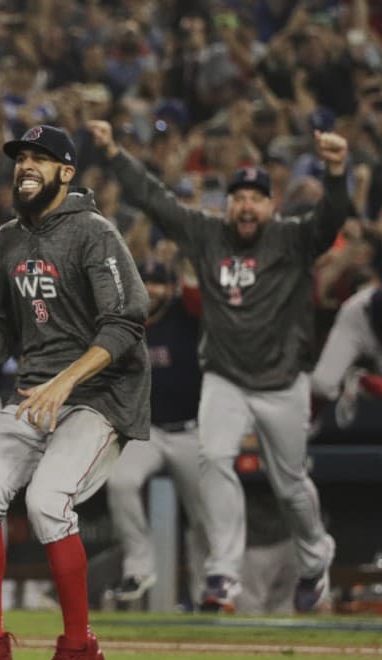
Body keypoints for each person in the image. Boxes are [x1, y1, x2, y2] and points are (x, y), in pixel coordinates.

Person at [92, 120, 351, 614]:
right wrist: (113, 153)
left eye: (257, 197)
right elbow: (155, 199)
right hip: (226, 378)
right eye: (239, 197)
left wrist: (337, 170)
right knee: (214, 459)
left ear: (271, 206)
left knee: (291, 484)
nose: (247, 205)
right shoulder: (207, 233)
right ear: (227, 204)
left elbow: (332, 217)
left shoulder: (294, 238)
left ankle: (316, 557)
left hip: (282, 381)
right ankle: (224, 575)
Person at [0, 125, 149, 660]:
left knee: (46, 501)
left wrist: (67, 380)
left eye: (40, 158)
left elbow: (127, 321)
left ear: (67, 172)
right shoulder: (8, 238)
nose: (26, 166)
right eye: (21, 158)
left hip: (100, 396)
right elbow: (0, 320)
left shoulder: (94, 233)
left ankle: (82, 650)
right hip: (36, 393)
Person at [105, 261, 208, 604]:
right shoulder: (124, 322)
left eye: (157, 283)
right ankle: (139, 566)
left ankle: (207, 591)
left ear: (171, 287)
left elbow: (198, 295)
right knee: (119, 480)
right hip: (146, 431)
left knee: (204, 516)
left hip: (190, 430)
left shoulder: (186, 315)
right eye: (144, 281)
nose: (150, 289)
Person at [310, 284, 382, 426]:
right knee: (322, 386)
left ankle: (363, 379)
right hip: (359, 318)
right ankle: (304, 425)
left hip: (378, 329)